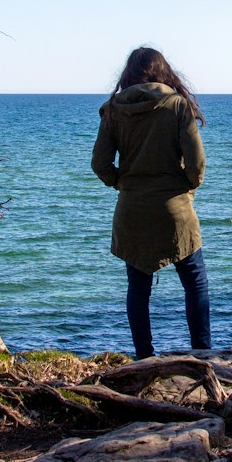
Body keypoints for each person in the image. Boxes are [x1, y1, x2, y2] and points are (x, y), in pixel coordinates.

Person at [91, 46, 212, 359]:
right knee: (195, 282)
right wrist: (187, 188)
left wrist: (124, 183)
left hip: (132, 211)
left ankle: (144, 358)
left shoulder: (114, 109)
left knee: (138, 287)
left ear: (129, 74)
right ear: (163, 73)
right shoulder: (177, 106)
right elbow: (197, 165)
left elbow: (101, 164)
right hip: (175, 210)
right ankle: (203, 354)